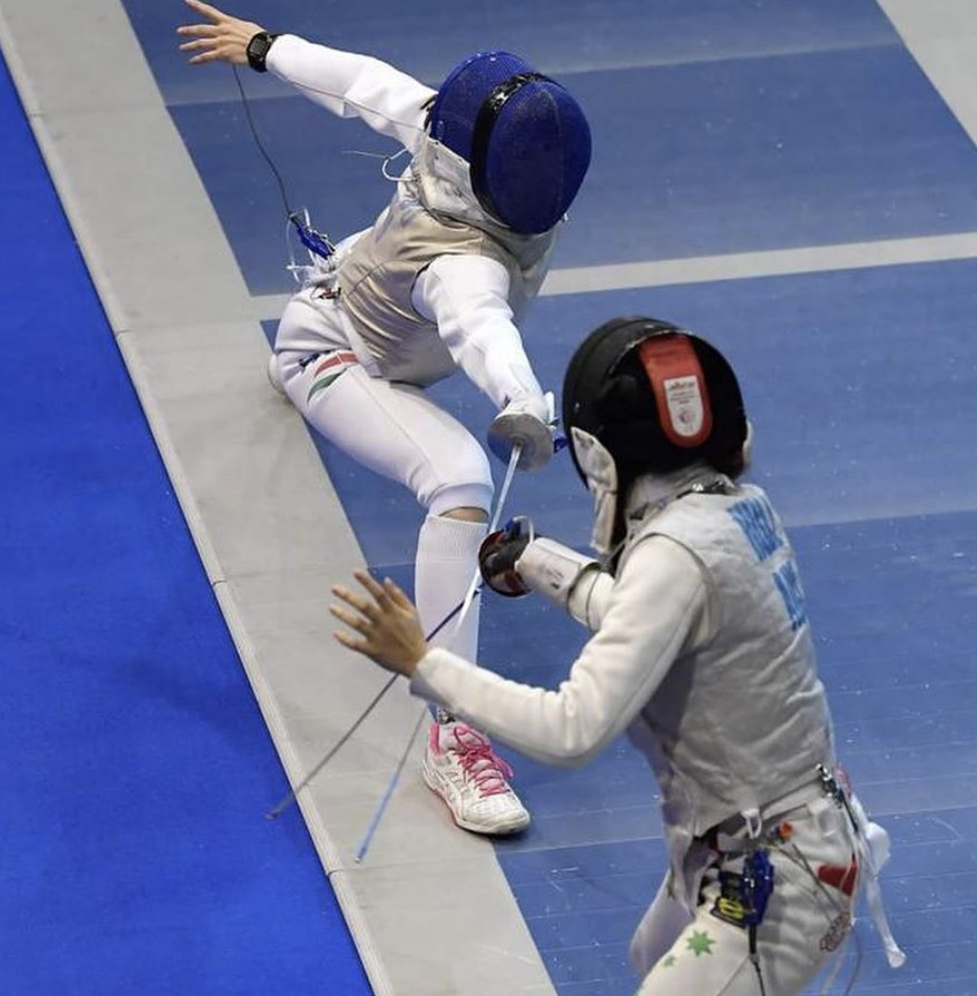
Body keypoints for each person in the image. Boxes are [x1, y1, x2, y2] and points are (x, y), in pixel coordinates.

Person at [329, 317, 905, 996]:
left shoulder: (673, 555)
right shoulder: (736, 512)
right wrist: (539, 561)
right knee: (650, 953)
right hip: (774, 838)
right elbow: (649, 619)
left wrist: (424, 661)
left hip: (773, 876)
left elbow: (571, 729)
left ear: (600, 457)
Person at [177, 0, 593, 836]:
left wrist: (265, 47)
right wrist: (520, 402)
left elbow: (372, 87)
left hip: (383, 332)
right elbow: (481, 322)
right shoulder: (464, 258)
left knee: (454, 450)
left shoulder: (457, 167)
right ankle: (454, 732)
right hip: (332, 356)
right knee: (462, 480)